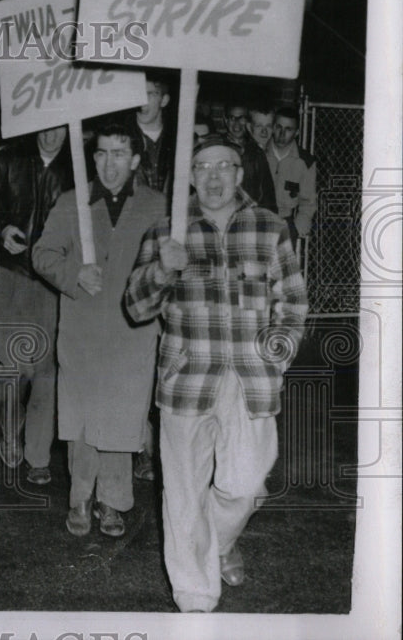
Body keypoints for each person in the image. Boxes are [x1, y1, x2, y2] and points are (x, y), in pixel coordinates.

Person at [125, 133, 307, 613]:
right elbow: (137, 308)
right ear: (190, 176)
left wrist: (277, 356)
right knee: (183, 494)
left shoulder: (270, 229)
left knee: (243, 485)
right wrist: (162, 271)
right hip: (188, 379)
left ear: (240, 174)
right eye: (202, 167)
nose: (212, 176)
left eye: (223, 165)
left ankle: (220, 542)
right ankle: (196, 598)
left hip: (250, 380)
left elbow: (292, 303)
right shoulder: (167, 231)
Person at [33, 123, 164, 537]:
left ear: (137, 160)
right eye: (103, 153)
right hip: (83, 327)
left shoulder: (156, 205)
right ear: (93, 158)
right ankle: (80, 498)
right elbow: (42, 253)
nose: (110, 164)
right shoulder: (72, 202)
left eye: (120, 154)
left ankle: (113, 502)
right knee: (83, 418)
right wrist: (73, 274)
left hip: (132, 329)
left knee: (122, 418)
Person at [0, 126, 73, 484]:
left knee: (47, 366)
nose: (52, 136)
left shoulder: (77, 168)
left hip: (53, 278)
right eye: (45, 127)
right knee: (11, 362)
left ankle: (37, 453)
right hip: (11, 271)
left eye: (60, 128)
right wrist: (0, 229)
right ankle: (8, 428)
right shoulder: (6, 161)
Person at [267, 106, 317, 246]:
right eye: (279, 127)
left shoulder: (305, 161)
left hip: (285, 223)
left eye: (288, 129)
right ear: (273, 127)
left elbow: (308, 202)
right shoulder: (259, 154)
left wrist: (296, 229)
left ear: (296, 132)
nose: (282, 133)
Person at [223, 102, 278, 213]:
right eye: (232, 118)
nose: (237, 124)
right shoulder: (216, 148)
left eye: (241, 118)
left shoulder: (256, 153)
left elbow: (267, 194)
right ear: (225, 120)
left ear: (247, 122)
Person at [126, 77, 175, 194]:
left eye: (150, 94)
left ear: (163, 100)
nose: (142, 100)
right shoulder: (118, 139)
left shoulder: (180, 139)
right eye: (138, 93)